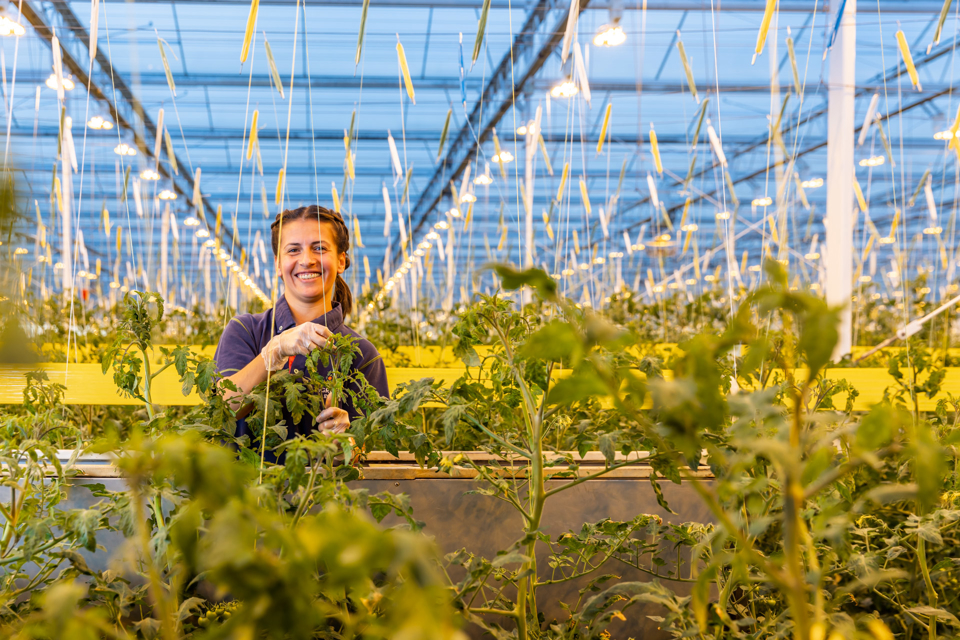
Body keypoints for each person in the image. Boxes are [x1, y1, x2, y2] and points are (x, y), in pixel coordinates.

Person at [214, 205, 388, 442]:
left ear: (341, 261)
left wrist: (345, 447)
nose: (306, 260)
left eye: (320, 248)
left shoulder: (361, 354)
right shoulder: (246, 331)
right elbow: (223, 409)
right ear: (278, 264)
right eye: (293, 250)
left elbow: (375, 444)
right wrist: (275, 350)